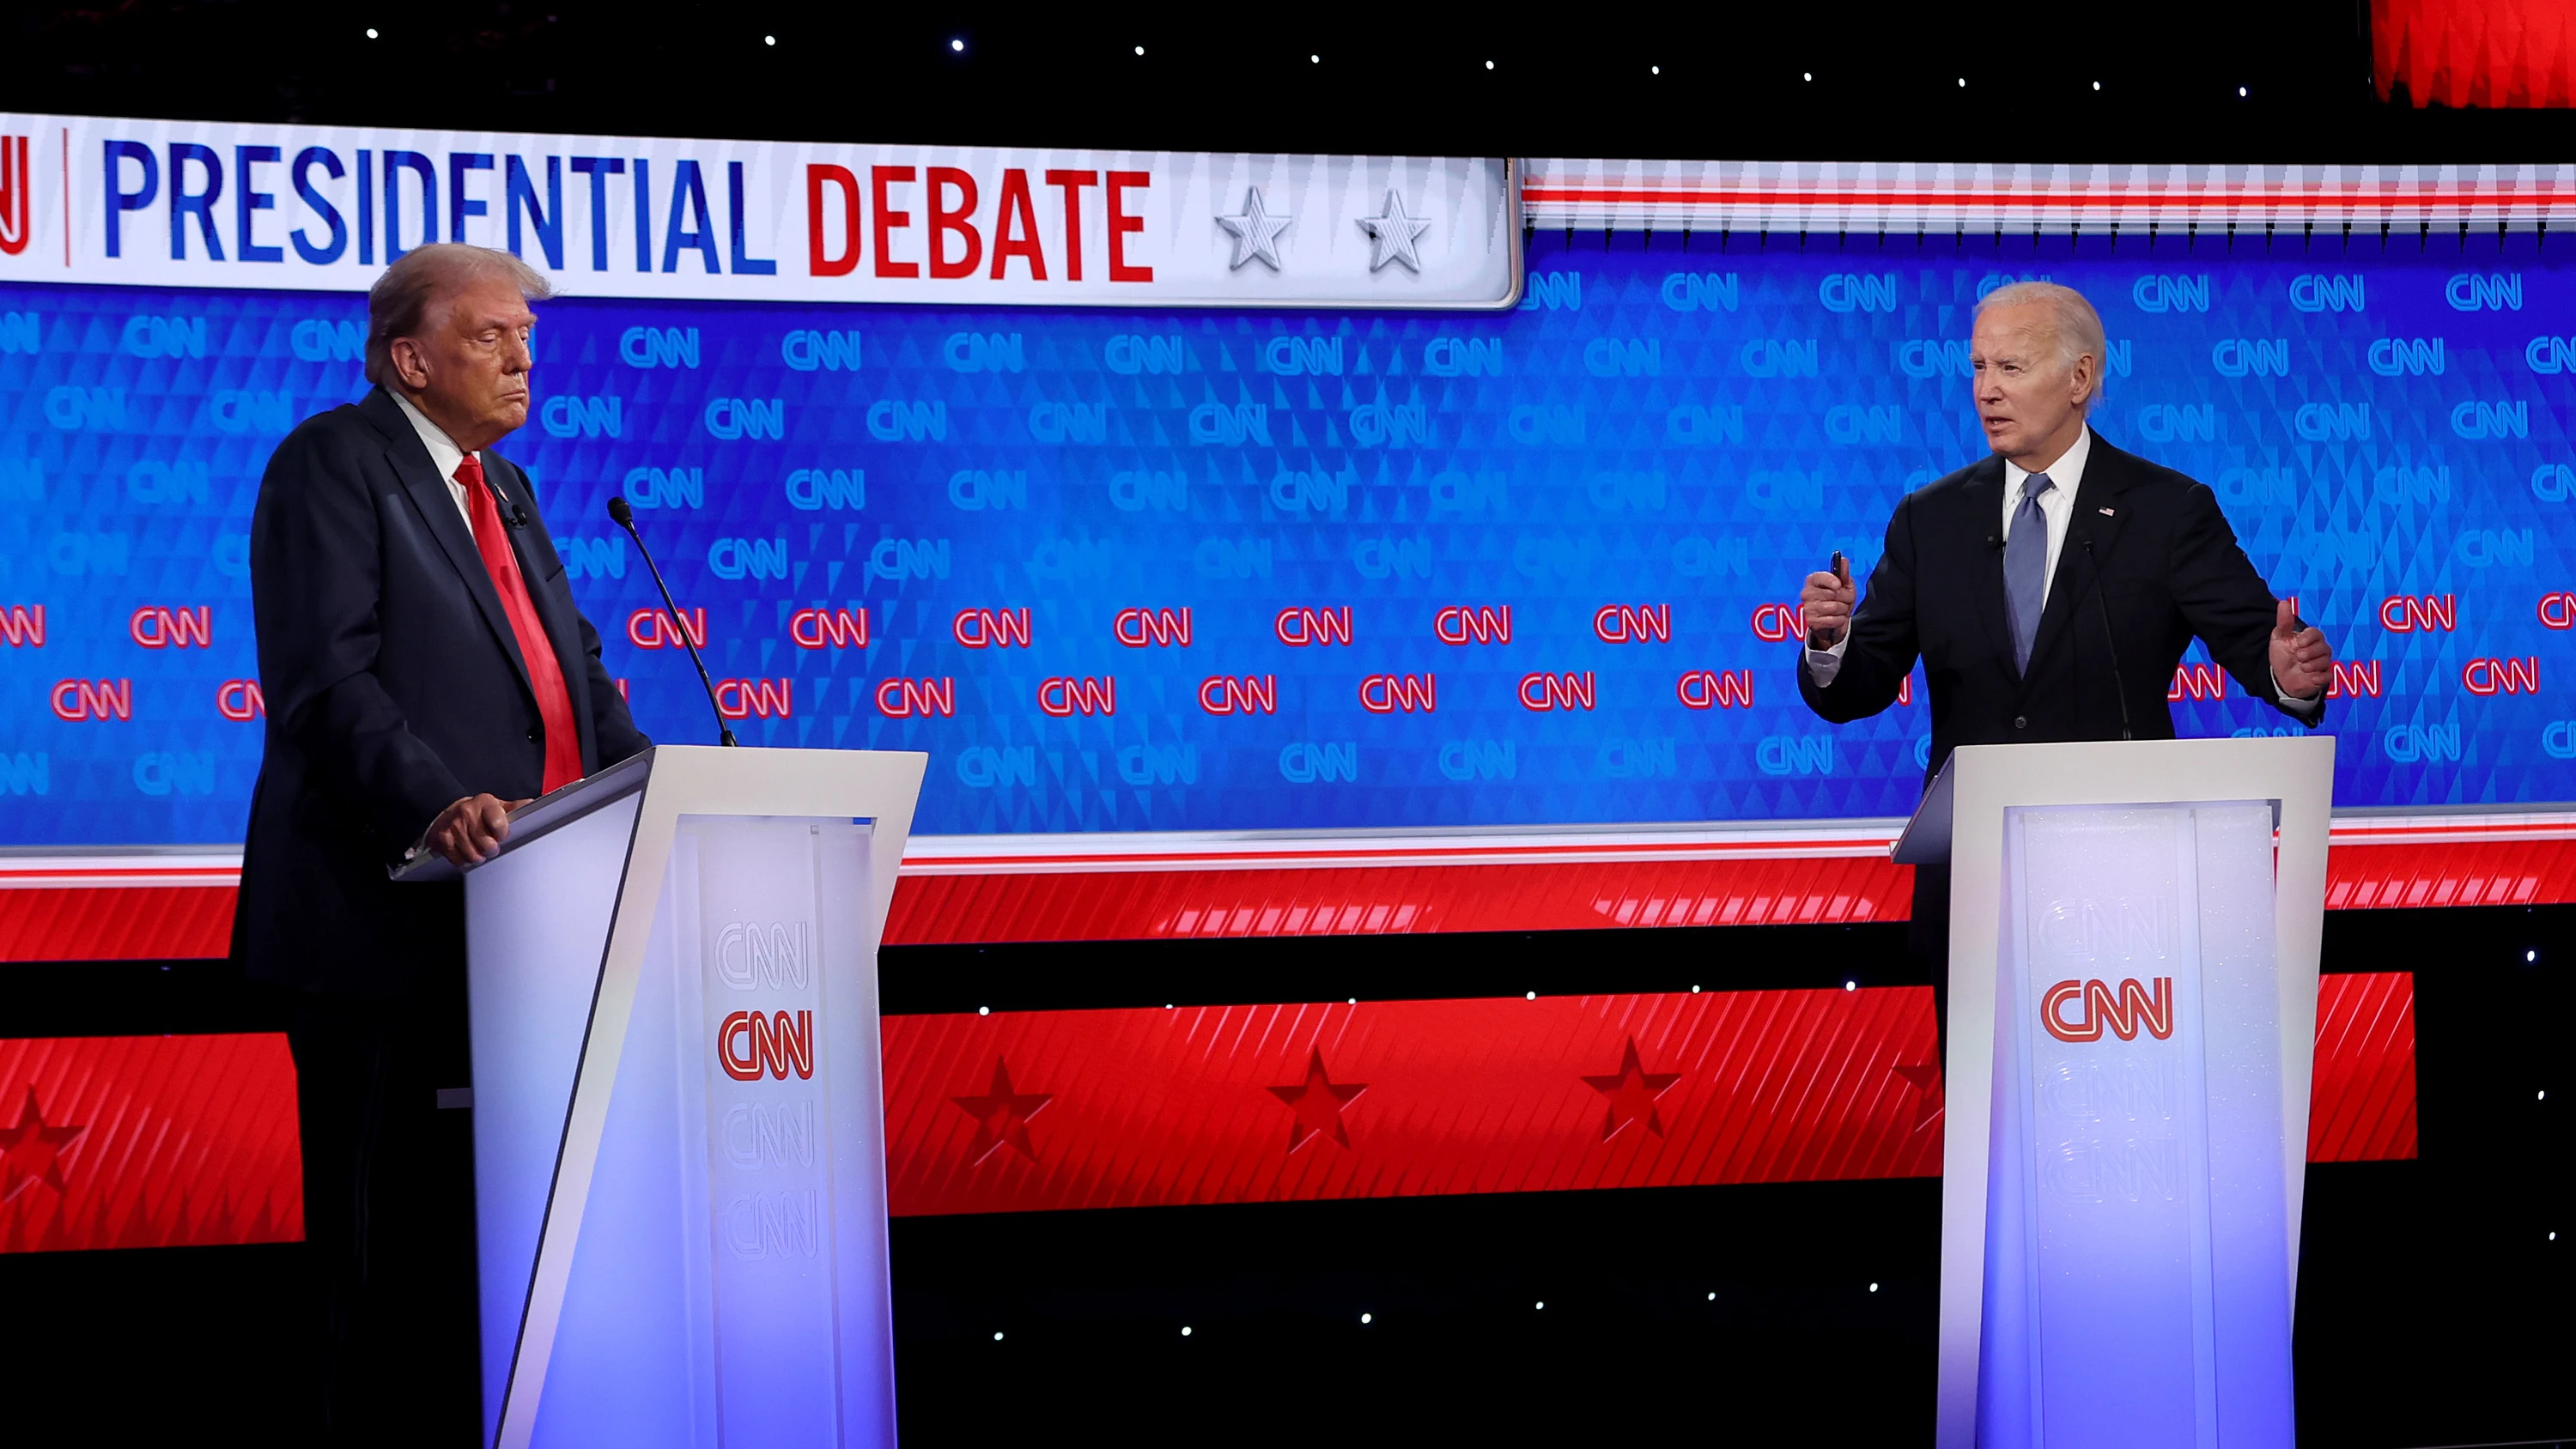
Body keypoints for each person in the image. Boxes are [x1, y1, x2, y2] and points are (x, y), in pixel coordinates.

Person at [233, 243, 650, 1441]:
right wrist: (436, 803)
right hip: (382, 931)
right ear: (410, 359)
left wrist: (661, 783)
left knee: (477, 1258)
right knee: (375, 1260)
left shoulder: (503, 489)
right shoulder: (334, 463)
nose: (523, 358)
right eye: (491, 337)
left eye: (526, 337)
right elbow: (326, 682)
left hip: (516, 932)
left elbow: (570, 681)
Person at [1794, 281, 2332, 1058]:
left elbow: (2260, 645)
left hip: (2128, 885)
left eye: (2010, 367)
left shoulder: (2167, 509)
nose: (1986, 391)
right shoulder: (1930, 519)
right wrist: (1832, 642)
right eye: (1977, 367)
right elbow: (1860, 685)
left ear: (2079, 379)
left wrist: (2288, 672)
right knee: (1990, 1137)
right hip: (1980, 892)